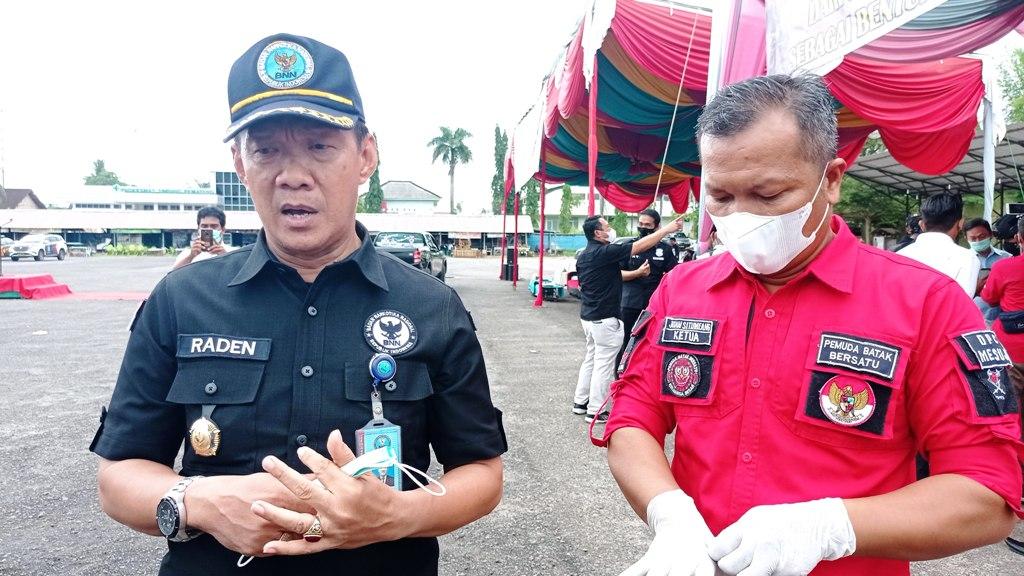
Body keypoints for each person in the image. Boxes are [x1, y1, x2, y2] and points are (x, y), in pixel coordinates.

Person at [90, 33, 506, 576]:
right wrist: (202, 503)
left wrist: (398, 515)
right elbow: (119, 477)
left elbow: (481, 472)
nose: (292, 175)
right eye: (266, 150)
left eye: (319, 146)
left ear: (365, 156)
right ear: (240, 164)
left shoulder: (432, 306)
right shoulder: (181, 299)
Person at [603, 74, 1022, 576]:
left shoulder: (925, 302)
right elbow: (631, 419)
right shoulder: (682, 291)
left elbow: (987, 493)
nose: (742, 217)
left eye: (769, 194)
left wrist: (831, 527)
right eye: (720, 197)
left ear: (832, 179)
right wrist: (669, 512)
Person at [574, 215, 681, 423]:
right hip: (605, 318)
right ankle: (595, 410)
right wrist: (667, 230)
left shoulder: (585, 256)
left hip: (588, 317)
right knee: (603, 364)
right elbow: (639, 246)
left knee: (591, 359)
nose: (610, 230)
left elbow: (614, 276)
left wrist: (638, 272)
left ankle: (580, 402)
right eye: (607, 227)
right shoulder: (604, 252)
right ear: (598, 233)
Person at [617, 209, 677, 371]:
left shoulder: (664, 250)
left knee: (650, 341)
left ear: (656, 227)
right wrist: (637, 273)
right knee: (625, 341)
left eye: (648, 225)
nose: (643, 227)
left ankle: (643, 374)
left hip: (653, 304)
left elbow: (674, 275)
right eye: (641, 224)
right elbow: (617, 275)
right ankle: (621, 374)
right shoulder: (629, 247)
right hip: (629, 303)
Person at [897, 192, 980, 297]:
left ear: (922, 225)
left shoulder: (899, 255)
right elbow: (961, 302)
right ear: (961, 223)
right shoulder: (967, 259)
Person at [965, 218, 1012, 325]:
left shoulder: (1006, 258)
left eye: (982, 237)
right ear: (966, 238)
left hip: (1003, 318)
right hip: (973, 319)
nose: (978, 241)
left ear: (990, 234)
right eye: (973, 238)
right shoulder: (961, 260)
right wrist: (975, 288)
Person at [172, 206, 236, 270]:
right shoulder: (187, 254)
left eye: (214, 226)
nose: (209, 229)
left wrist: (226, 257)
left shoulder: (234, 253)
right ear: (198, 229)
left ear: (223, 230)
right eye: (204, 226)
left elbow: (238, 272)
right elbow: (173, 274)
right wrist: (191, 257)